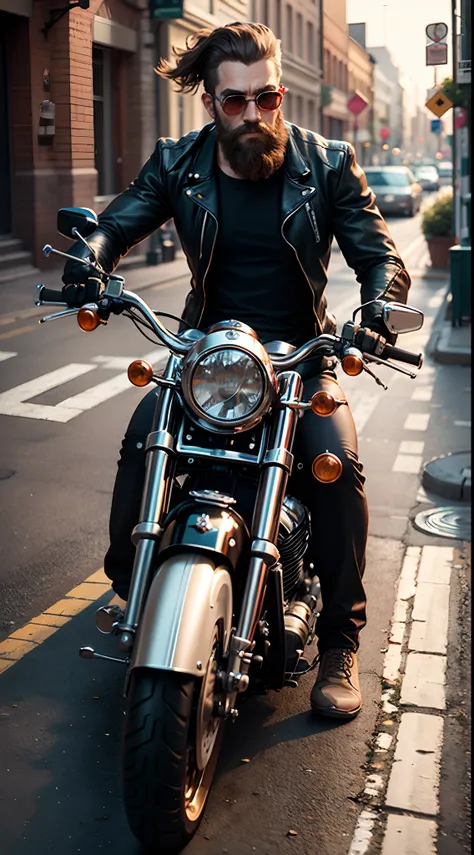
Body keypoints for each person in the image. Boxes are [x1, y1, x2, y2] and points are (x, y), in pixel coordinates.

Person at [62, 22, 410, 719]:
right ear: (211, 103)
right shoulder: (178, 162)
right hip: (206, 354)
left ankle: (341, 639)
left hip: (300, 356)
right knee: (142, 444)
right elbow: (122, 219)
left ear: (280, 94)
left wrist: (376, 306)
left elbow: (382, 256)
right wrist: (90, 256)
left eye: (267, 97)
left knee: (337, 466)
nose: (254, 114)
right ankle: (137, 585)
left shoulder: (329, 162)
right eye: (235, 101)